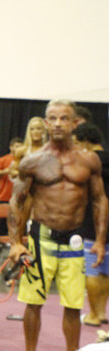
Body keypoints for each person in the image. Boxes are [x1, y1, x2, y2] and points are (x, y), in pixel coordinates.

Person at [9, 100, 108, 351]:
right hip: (41, 239)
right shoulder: (33, 160)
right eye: (52, 118)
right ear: (45, 122)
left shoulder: (88, 160)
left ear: (75, 123)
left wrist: (100, 240)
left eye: (64, 118)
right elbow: (17, 201)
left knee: (74, 305)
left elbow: (100, 200)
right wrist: (16, 242)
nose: (57, 124)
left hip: (75, 240)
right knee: (33, 302)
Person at [72, 122, 109, 327]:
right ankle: (101, 311)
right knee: (105, 269)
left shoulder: (89, 162)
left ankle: (94, 315)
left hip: (94, 219)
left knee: (93, 268)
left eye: (77, 143)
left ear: (85, 141)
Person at [0, 137, 24, 203]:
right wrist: (6, 171)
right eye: (17, 146)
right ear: (11, 147)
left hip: (20, 197)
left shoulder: (25, 160)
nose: (19, 149)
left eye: (21, 147)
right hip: (4, 197)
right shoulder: (2, 160)